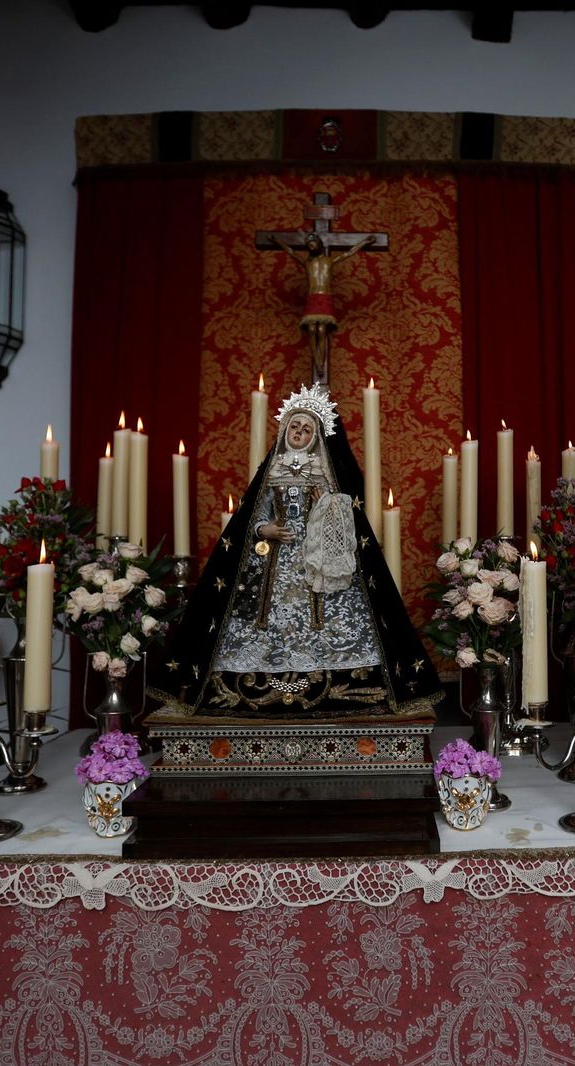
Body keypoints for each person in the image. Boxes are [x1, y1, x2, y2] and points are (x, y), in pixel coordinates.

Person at [148, 383, 440, 722]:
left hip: (318, 556)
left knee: (328, 611)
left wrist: (327, 504)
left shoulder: (322, 472)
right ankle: (263, 679)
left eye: (306, 429)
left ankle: (334, 679)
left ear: (316, 437)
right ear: (285, 430)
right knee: (267, 614)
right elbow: (253, 515)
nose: (299, 433)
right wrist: (265, 529)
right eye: (294, 427)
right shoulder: (273, 470)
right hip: (276, 560)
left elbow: (342, 514)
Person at [270, 232, 377, 384]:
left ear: (319, 245)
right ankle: (318, 362)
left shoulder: (328, 261)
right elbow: (292, 253)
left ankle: (321, 361)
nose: (312, 247)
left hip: (324, 297)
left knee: (321, 330)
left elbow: (347, 253)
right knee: (312, 330)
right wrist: (278, 241)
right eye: (309, 246)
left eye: (313, 244)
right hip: (312, 297)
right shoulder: (307, 262)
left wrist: (364, 243)